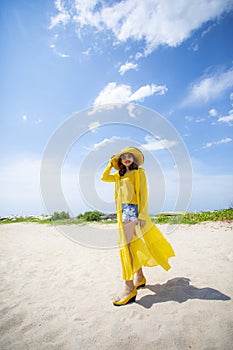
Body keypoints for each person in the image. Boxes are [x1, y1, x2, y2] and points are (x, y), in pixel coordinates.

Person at [101, 147, 175, 306]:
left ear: (133, 160)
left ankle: (129, 287)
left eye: (130, 156)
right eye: (123, 157)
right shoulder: (118, 176)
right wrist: (110, 163)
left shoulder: (138, 173)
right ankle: (139, 278)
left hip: (130, 209)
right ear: (120, 161)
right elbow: (104, 177)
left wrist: (142, 215)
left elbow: (143, 194)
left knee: (125, 246)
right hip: (121, 212)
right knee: (130, 245)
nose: (127, 158)